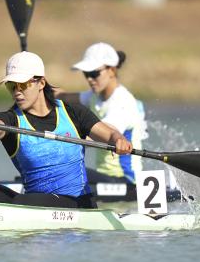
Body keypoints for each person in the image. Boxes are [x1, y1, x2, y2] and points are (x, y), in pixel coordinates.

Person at [0, 51, 133, 209]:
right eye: (11, 86)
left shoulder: (73, 113)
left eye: (23, 85)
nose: (17, 92)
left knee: (26, 202)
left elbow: (110, 134)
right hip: (34, 202)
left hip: (78, 204)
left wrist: (120, 140)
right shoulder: (11, 119)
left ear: (41, 83)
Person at [56, 42, 148, 184]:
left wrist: (56, 138)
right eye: (86, 74)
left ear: (111, 70)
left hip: (127, 180)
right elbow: (65, 97)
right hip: (105, 178)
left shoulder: (123, 102)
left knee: (67, 171)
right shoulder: (95, 95)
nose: (90, 79)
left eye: (94, 73)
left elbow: (100, 134)